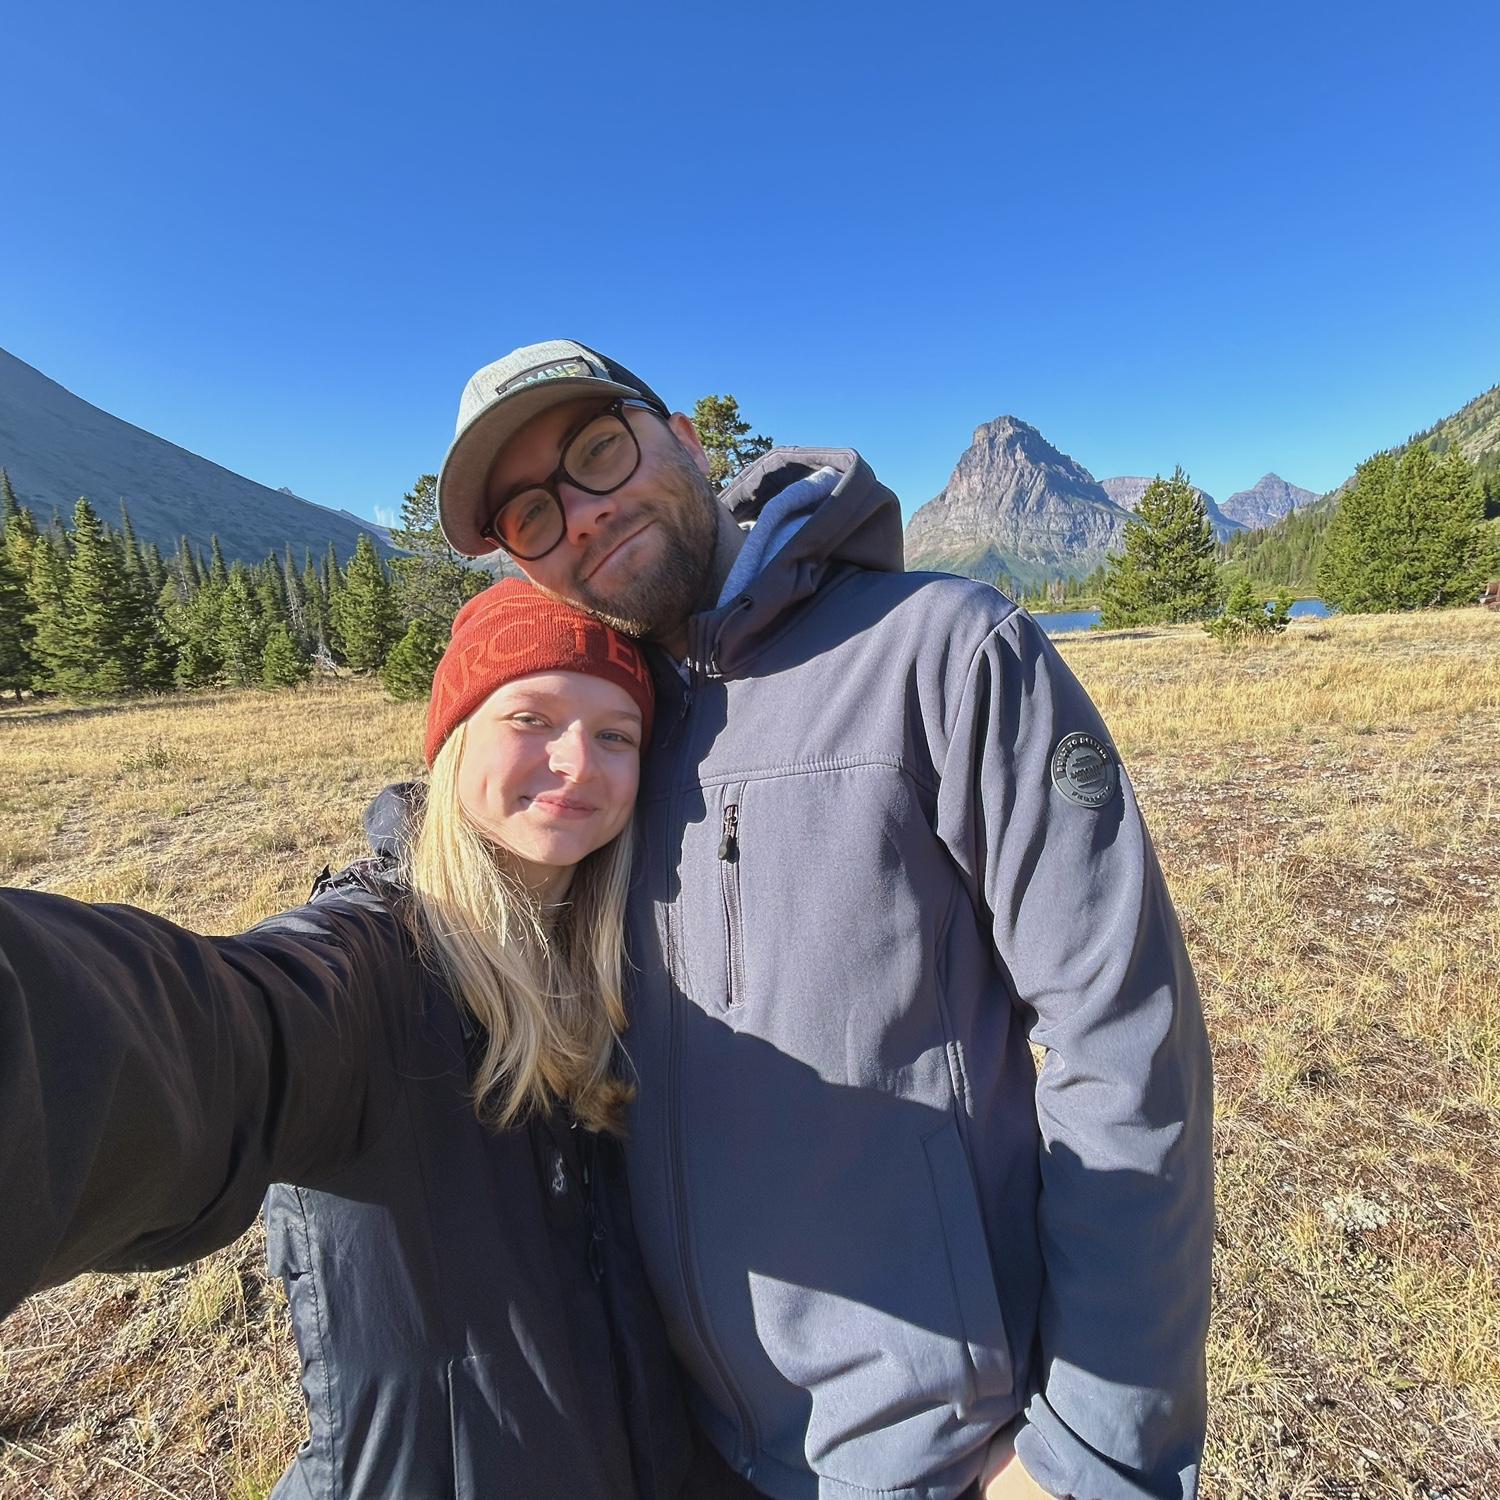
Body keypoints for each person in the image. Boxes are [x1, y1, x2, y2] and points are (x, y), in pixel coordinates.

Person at [432, 340, 1216, 1500]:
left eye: (598, 449)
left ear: (688, 441)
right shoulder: (608, 742)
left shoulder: (943, 651)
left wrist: (1093, 1455)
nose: (582, 513)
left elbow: (1126, 1037)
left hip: (942, 1457)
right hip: (692, 1446)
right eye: (532, 515)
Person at [0, 579, 725, 1498]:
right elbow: (208, 1038)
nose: (578, 761)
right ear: (454, 741)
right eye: (532, 718)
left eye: (616, 735)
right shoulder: (370, 967)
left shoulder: (634, 967)